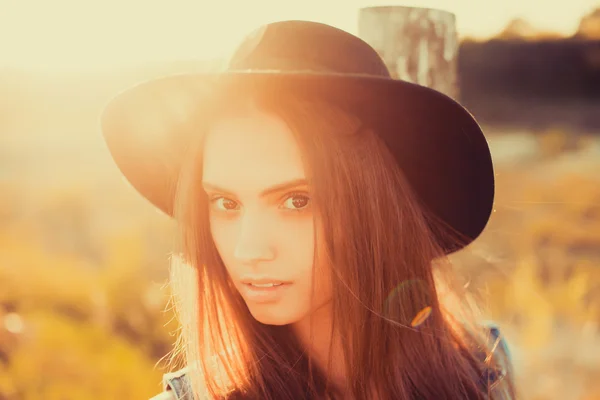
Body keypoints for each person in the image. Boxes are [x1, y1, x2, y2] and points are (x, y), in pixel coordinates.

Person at [100, 20, 516, 400]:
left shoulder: (483, 370)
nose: (248, 250)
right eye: (226, 203)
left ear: (375, 206)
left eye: (296, 201)